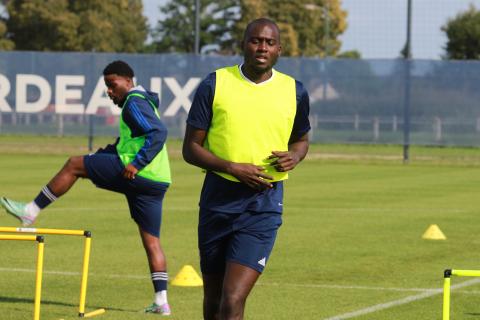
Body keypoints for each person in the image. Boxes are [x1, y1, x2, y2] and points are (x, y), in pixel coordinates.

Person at [1, 60, 173, 315]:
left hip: (137, 172)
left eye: (112, 85)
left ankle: (31, 210)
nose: (109, 91)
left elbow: (158, 133)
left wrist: (136, 164)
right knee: (152, 241)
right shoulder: (144, 101)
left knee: (73, 165)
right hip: (158, 182)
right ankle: (162, 302)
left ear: (128, 80)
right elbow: (127, 142)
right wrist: (101, 155)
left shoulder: (133, 102)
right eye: (106, 86)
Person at [182, 18, 310, 320]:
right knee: (213, 300)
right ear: (244, 45)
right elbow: (190, 149)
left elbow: (302, 140)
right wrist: (232, 167)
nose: (261, 47)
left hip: (262, 205)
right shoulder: (214, 84)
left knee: (233, 297)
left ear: (279, 49)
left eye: (268, 42)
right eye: (255, 40)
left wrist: (295, 155)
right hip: (217, 200)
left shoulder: (295, 91)